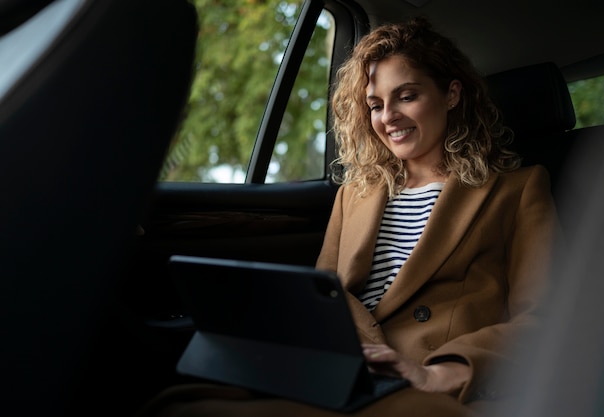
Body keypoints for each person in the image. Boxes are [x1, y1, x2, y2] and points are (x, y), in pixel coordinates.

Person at [136, 16, 558, 417]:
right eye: (375, 104)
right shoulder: (353, 196)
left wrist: (440, 373)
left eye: (407, 96)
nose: (388, 116)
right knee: (181, 402)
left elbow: (545, 319)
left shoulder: (516, 190)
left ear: (451, 94)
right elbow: (323, 301)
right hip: (340, 370)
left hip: (424, 380)